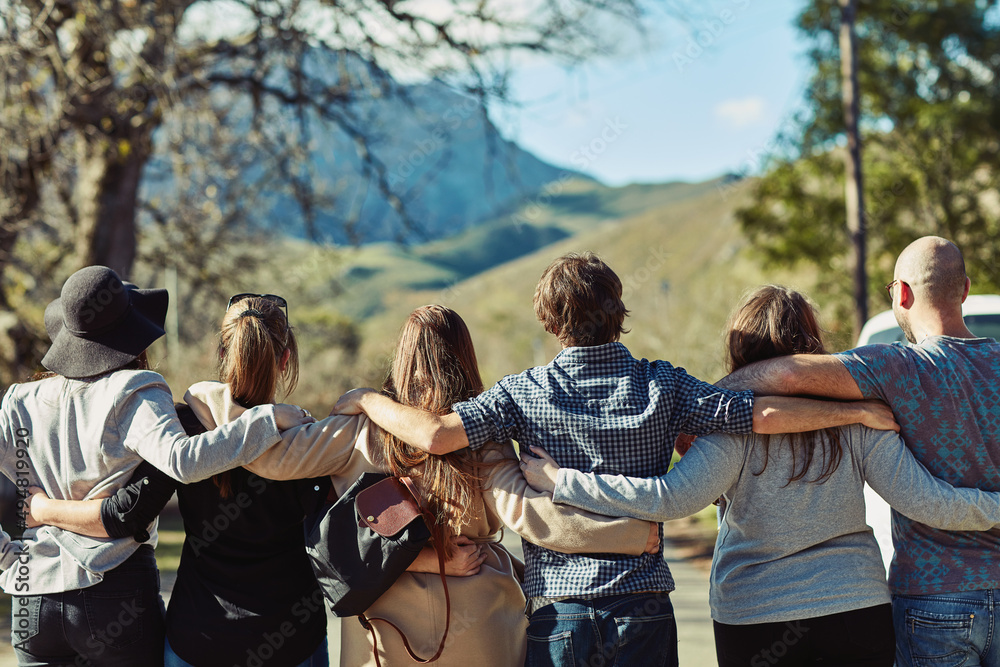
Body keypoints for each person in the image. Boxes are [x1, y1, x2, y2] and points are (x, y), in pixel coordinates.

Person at [332, 253, 900, 667]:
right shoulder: (663, 384)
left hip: (560, 611)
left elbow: (435, 435)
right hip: (643, 604)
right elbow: (758, 416)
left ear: (549, 322)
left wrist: (365, 399)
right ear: (617, 310)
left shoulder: (521, 394)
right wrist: (850, 413)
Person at [30, 303, 658, 667]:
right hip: (472, 628)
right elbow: (533, 516)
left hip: (373, 632)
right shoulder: (485, 435)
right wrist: (635, 531)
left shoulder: (348, 435)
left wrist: (217, 404)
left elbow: (264, 462)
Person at [520, 284, 1000, 666]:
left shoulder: (729, 429)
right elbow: (930, 503)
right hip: (854, 609)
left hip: (756, 616)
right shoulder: (859, 418)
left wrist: (564, 481)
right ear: (810, 346)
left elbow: (668, 499)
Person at [0, 267, 312, 667]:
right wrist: (266, 420)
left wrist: (10, 558)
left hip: (31, 599)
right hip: (113, 591)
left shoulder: (20, 399)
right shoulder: (136, 390)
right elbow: (182, 460)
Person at [712, 237, 1000, 666]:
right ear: (964, 289)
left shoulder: (894, 367)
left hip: (934, 599)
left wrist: (707, 402)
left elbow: (787, 373)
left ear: (901, 293)